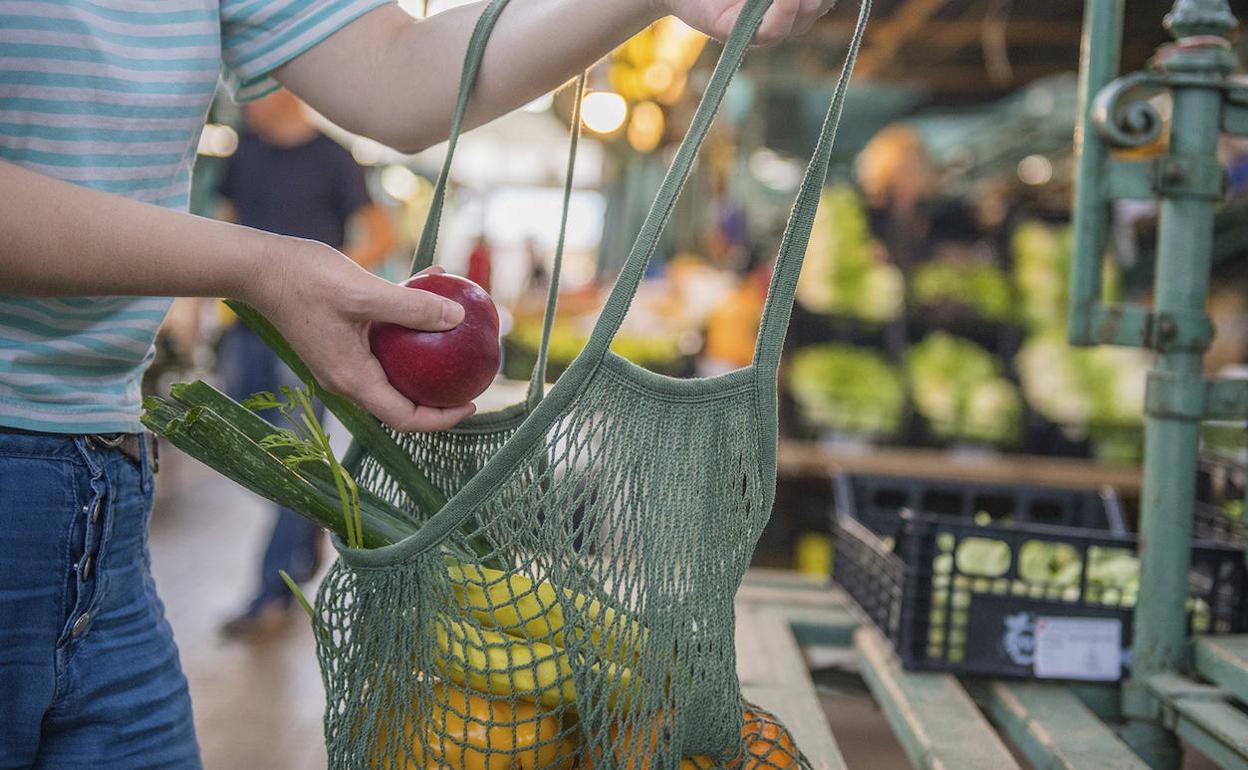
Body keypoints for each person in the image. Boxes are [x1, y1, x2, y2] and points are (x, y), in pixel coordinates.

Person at [0, 1, 836, 765]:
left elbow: (400, 75)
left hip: (106, 493)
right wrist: (260, 267)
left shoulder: (327, 158)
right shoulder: (254, 162)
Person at [214, 89, 395, 639]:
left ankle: (271, 592)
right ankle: (313, 508)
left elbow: (384, 232)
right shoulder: (243, 151)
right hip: (242, 328)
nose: (242, 97)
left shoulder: (334, 157)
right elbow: (224, 225)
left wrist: (325, 281)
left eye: (252, 86)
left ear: (285, 90)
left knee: (284, 463)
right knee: (237, 447)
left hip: (302, 338)